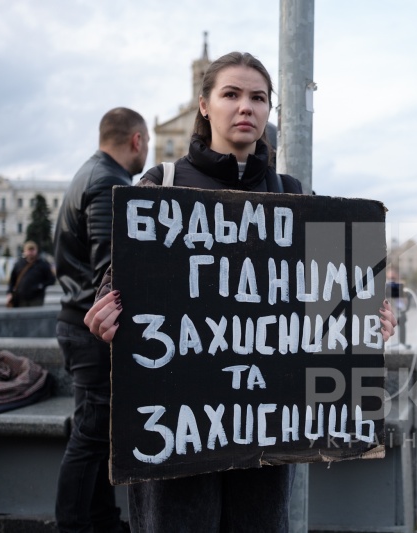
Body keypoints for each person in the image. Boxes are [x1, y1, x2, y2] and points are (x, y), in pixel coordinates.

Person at [83, 51, 397, 533]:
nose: (245, 107)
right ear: (204, 106)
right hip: (175, 441)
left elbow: (337, 311)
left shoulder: (295, 198)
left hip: (264, 445)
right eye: (231, 94)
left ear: (269, 110)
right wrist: (104, 319)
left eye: (258, 97)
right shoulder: (158, 186)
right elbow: (114, 292)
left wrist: (370, 324)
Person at [53, 107, 149, 533]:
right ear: (137, 141)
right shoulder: (109, 182)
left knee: (90, 433)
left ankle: (99, 520)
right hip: (90, 330)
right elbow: (110, 271)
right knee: (91, 436)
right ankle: (76, 525)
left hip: (75, 323)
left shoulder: (89, 173)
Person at [6, 240, 55, 307]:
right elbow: (12, 280)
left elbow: (51, 279)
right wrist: (9, 292)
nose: (31, 252)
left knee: (34, 316)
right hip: (20, 298)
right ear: (25, 251)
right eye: (29, 250)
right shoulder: (19, 264)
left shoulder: (42, 264)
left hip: (36, 299)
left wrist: (40, 286)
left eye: (33, 250)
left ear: (36, 251)